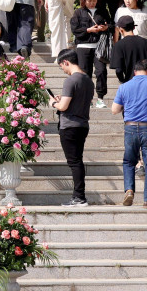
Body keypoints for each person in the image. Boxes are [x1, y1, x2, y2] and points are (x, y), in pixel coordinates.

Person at [112, 58, 147, 208]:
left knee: (129, 161)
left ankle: (129, 190)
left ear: (134, 72)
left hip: (130, 128)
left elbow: (114, 110)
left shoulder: (124, 86)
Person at [50, 49, 94, 207]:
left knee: (74, 162)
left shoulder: (70, 80)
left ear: (66, 62)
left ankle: (79, 197)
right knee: (77, 161)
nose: (63, 69)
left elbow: (62, 106)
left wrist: (53, 103)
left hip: (70, 125)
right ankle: (79, 196)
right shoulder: (88, 80)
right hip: (82, 124)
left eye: (62, 66)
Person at [72, 0, 111, 107]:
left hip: (99, 46)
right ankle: (87, 98)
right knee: (85, 73)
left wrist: (105, 27)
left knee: (101, 71)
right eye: (89, 0)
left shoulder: (102, 11)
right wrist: (88, 30)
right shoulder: (78, 12)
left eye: (94, 0)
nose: (91, 3)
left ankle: (100, 98)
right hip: (83, 46)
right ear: (84, 0)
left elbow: (110, 24)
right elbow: (75, 29)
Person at [110, 15, 147, 83]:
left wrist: (123, 81)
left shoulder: (119, 45)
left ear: (120, 29)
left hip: (130, 82)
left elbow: (119, 70)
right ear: (134, 27)